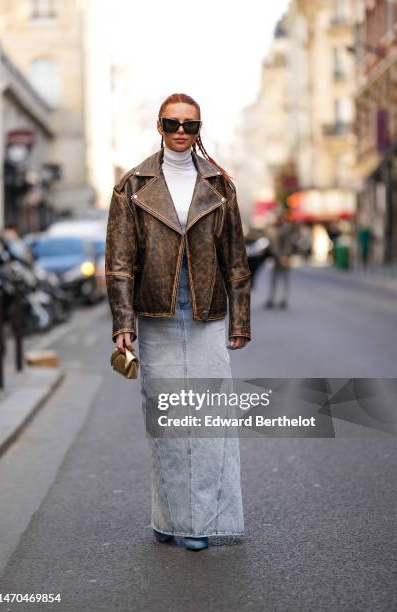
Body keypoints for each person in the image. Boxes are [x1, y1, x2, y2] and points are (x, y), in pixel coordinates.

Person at [105, 93, 251, 552]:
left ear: (200, 128)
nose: (182, 132)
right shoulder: (132, 185)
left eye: (190, 125)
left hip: (207, 310)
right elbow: (120, 263)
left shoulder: (220, 185)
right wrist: (122, 322)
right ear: (160, 126)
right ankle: (169, 517)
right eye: (173, 124)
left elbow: (236, 258)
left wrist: (240, 318)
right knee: (165, 420)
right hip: (155, 314)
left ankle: (200, 523)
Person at [264, 213, 294, 309]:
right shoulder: (269, 229)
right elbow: (270, 245)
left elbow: (288, 244)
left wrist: (286, 256)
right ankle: (271, 299)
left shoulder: (286, 228)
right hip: (274, 258)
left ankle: (284, 299)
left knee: (284, 279)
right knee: (273, 279)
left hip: (284, 258)